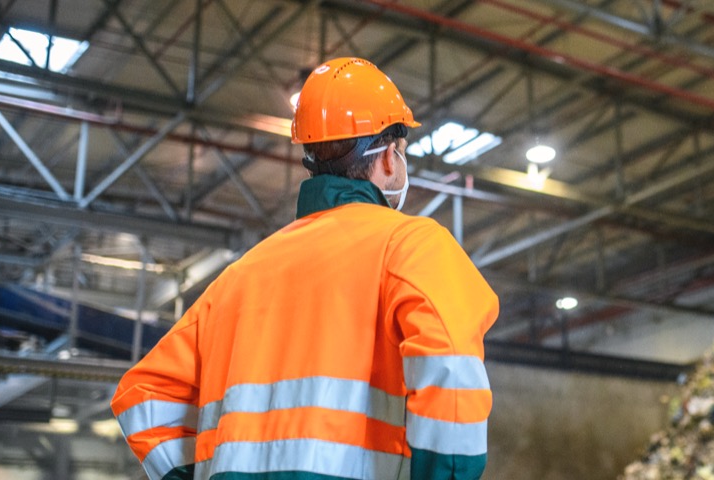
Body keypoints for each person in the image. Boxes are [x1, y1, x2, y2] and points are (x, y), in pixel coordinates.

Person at [111, 57, 499, 480]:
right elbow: (453, 376)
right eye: (402, 152)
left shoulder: (239, 278)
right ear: (390, 157)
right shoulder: (413, 246)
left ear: (312, 160)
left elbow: (141, 396)